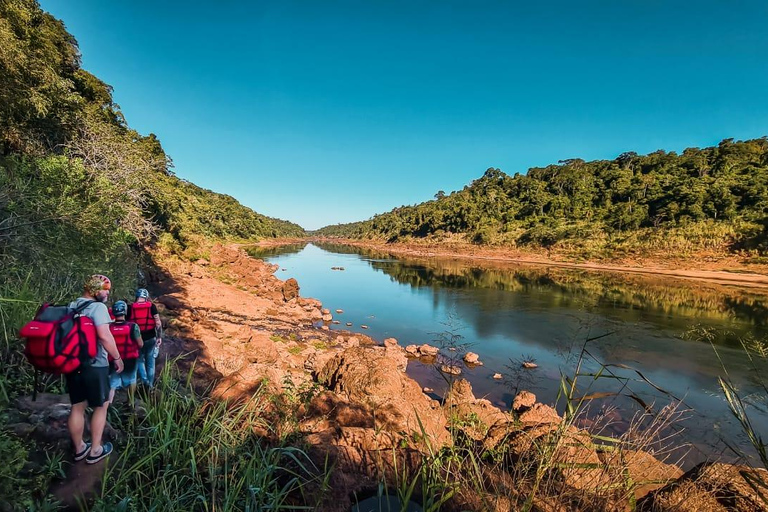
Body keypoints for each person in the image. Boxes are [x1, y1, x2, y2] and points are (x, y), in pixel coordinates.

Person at [67, 274, 124, 464]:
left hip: (74, 364)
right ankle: (95, 450)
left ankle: (79, 449)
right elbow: (105, 337)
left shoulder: (73, 305)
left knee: (77, 407)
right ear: (95, 289)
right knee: (101, 405)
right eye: (105, 289)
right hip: (96, 365)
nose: (107, 293)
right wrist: (117, 357)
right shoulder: (98, 308)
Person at [108, 300, 143, 406]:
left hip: (114, 359)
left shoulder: (108, 327)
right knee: (132, 380)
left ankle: (108, 405)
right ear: (125, 312)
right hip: (130, 359)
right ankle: (130, 403)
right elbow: (140, 344)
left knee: (112, 383)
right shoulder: (133, 326)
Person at [129, 288, 162, 388]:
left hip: (137, 339)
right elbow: (158, 323)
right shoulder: (152, 306)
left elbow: (127, 325)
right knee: (150, 362)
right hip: (151, 338)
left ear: (136, 297)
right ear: (146, 297)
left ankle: (144, 380)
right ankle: (150, 385)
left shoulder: (130, 308)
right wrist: (159, 337)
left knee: (139, 360)